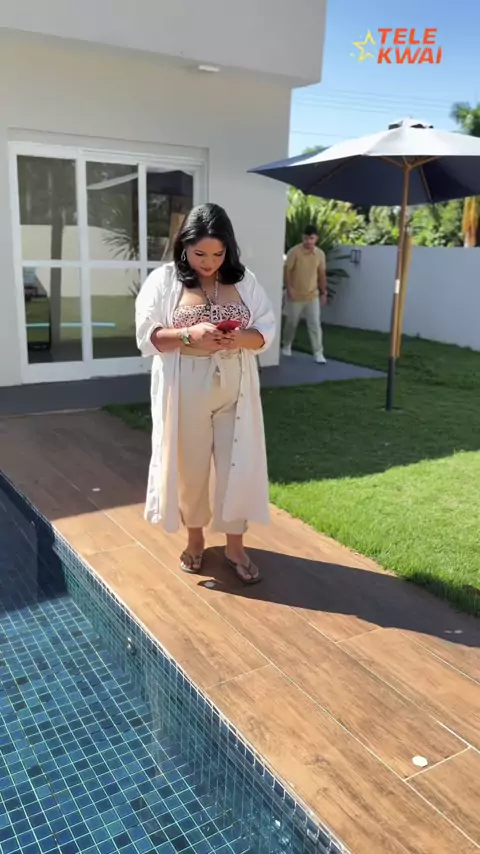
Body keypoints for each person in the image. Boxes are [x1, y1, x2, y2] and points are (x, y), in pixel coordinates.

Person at [135, 203, 276, 585]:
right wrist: (188, 335)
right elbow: (146, 336)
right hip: (186, 385)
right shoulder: (164, 281)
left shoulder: (245, 281)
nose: (209, 263)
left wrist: (239, 337)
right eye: (200, 254)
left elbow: (265, 329)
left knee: (237, 464)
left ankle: (235, 546)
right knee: (190, 467)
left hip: (235, 383)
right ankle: (195, 539)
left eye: (218, 253)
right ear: (184, 246)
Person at [282, 224, 328, 363]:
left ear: (316, 239)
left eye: (311, 238)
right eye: (306, 238)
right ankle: (286, 345)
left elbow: (322, 274)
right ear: (302, 237)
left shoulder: (320, 254)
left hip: (312, 296)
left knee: (315, 325)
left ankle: (318, 353)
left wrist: (324, 292)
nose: (308, 241)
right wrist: (289, 289)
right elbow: (287, 271)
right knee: (291, 322)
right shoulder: (294, 252)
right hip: (295, 295)